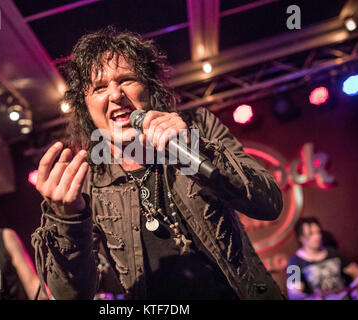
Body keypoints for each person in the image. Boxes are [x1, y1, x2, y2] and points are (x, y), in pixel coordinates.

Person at [32, 27, 284, 300]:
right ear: (86, 104)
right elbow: (70, 296)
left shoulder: (197, 127)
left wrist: (194, 146)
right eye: (100, 87)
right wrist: (67, 218)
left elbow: (268, 204)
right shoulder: (89, 179)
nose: (116, 95)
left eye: (127, 79)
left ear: (148, 86)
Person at [286, 217, 358, 300]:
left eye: (318, 232)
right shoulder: (293, 263)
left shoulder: (333, 253)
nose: (317, 236)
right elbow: (293, 295)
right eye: (311, 234)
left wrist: (356, 290)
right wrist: (312, 298)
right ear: (301, 237)